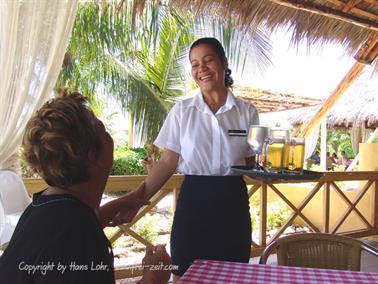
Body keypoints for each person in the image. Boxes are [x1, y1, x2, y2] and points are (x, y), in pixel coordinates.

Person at [106, 37, 259, 282]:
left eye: (208, 61)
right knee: (185, 274)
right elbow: (167, 162)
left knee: (233, 275)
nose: (202, 69)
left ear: (224, 63)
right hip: (194, 203)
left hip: (233, 202)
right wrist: (138, 198)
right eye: (195, 64)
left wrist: (276, 171)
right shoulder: (182, 111)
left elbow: (253, 164)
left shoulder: (247, 112)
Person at [0, 91, 171, 284]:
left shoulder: (41, 209)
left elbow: (68, 231)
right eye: (104, 131)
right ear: (93, 155)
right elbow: (73, 239)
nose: (110, 138)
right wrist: (153, 278)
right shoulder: (78, 237)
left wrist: (115, 206)